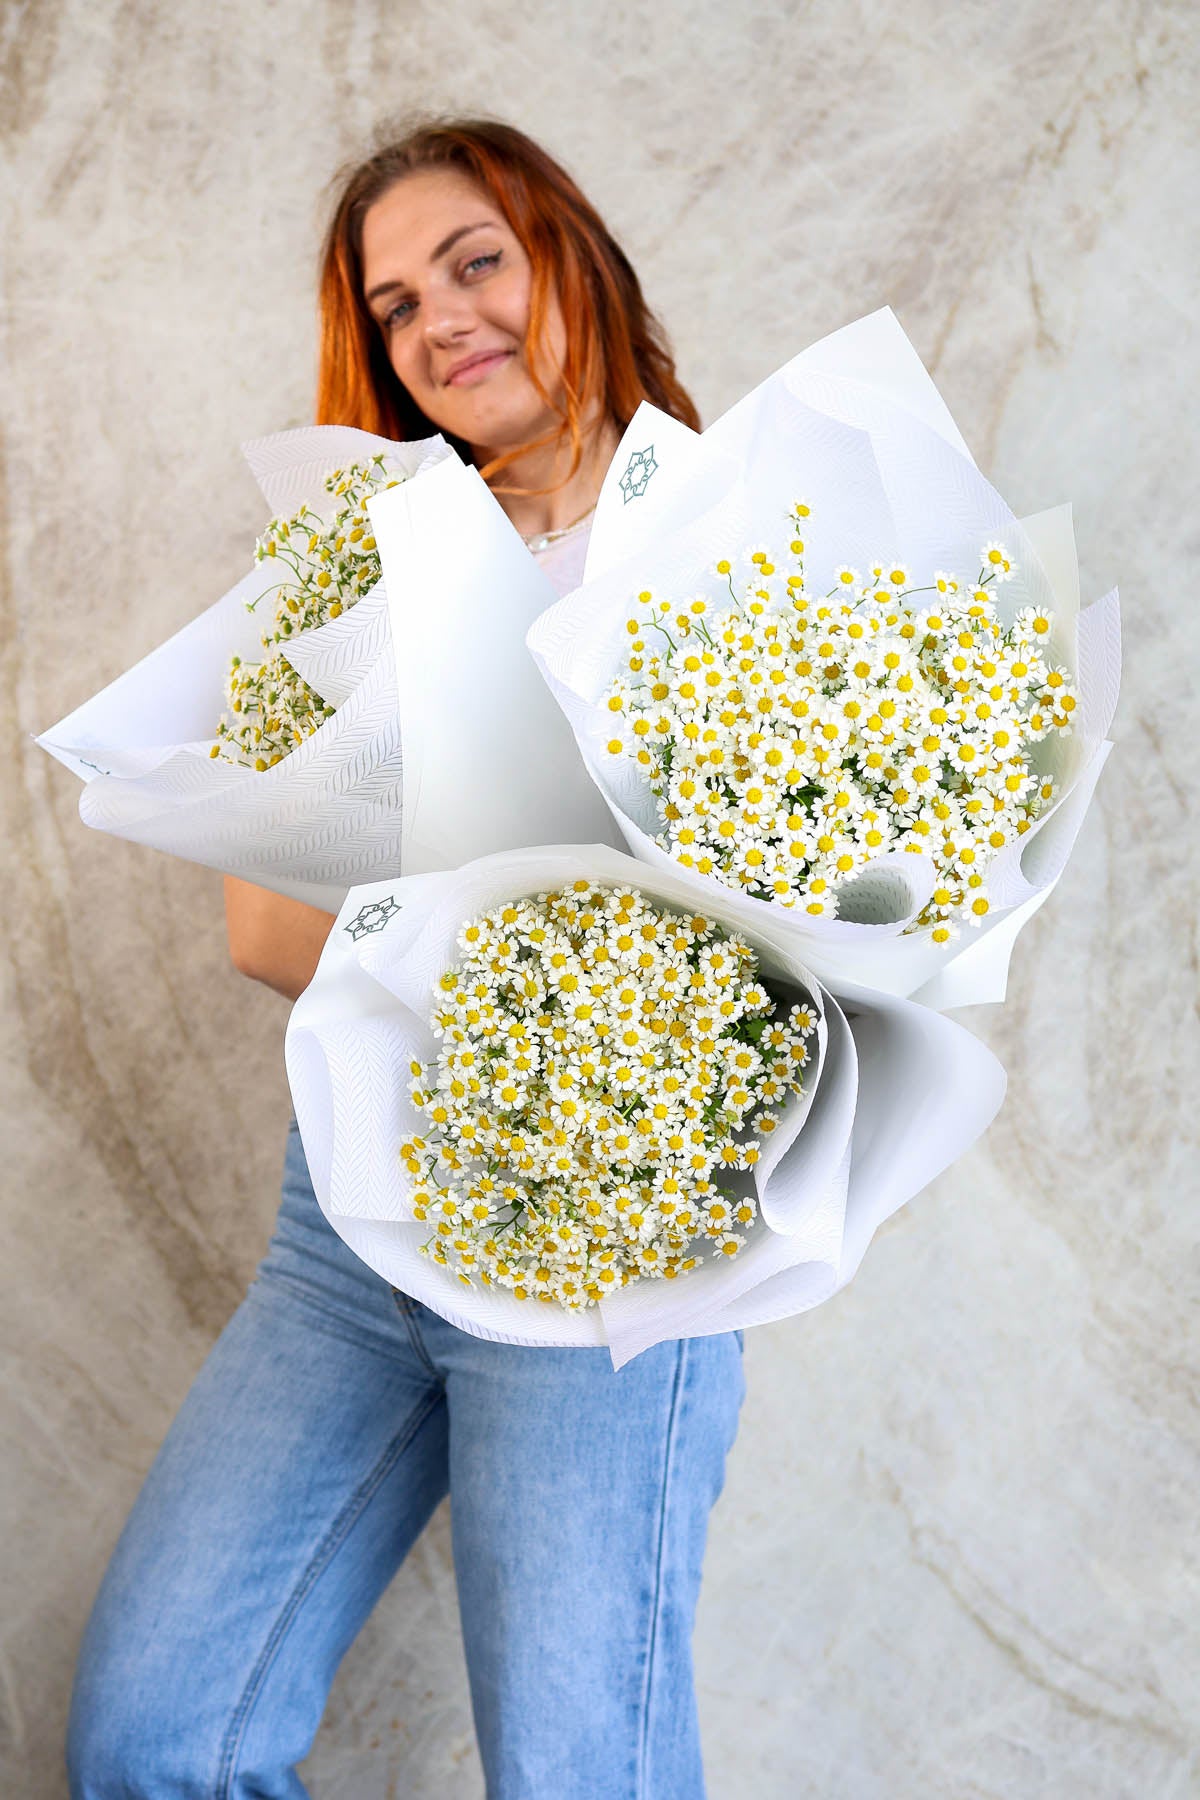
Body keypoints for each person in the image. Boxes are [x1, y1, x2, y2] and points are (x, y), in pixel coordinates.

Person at [65, 117, 746, 1800]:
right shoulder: (339, 559)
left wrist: (434, 889)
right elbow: (264, 926)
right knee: (158, 1740)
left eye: (475, 262)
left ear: (568, 257)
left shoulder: (741, 542)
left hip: (599, 1244)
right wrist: (542, 915)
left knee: (582, 1772)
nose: (437, 320)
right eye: (392, 304)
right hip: (348, 1230)